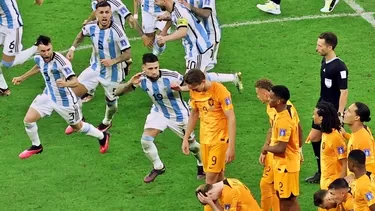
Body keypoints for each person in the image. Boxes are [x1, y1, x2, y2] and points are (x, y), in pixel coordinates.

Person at [12, 35, 110, 159]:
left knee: (78, 127)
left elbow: (74, 81)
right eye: (43, 51)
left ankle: (102, 136)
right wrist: (22, 77)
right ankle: (36, 146)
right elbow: (38, 66)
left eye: (49, 50)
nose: (47, 53)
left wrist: (66, 84)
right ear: (38, 50)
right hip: (47, 96)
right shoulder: (39, 57)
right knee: (28, 120)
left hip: (65, 101)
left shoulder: (61, 62)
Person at [114, 53, 204, 183]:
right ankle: (158, 167)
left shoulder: (172, 76)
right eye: (150, 69)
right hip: (158, 112)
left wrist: (180, 88)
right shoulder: (141, 78)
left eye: (156, 67)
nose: (154, 71)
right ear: (143, 67)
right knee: (146, 140)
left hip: (178, 115)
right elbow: (117, 92)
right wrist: (130, 83)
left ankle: (201, 163)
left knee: (192, 146)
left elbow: (193, 87)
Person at [65, 1, 132, 133]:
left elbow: (128, 53)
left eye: (107, 12)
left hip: (112, 73)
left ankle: (107, 121)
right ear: (96, 14)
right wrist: (72, 48)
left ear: (110, 13)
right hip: (94, 69)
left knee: (111, 103)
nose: (104, 15)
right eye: (101, 12)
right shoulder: (91, 27)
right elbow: (81, 35)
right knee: (72, 93)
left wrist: (113, 61)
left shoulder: (117, 32)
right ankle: (79, 120)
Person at [154, 0, 243, 92]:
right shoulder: (177, 7)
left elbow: (183, 31)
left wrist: (165, 38)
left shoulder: (179, 10)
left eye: (156, 0)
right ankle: (234, 78)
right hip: (195, 47)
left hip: (198, 50)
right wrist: (166, 23)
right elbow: (178, 16)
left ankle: (193, 103)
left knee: (191, 81)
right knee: (200, 75)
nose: (155, 3)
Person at [81, 0, 151, 103]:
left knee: (114, 61)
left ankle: (122, 70)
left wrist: (143, 35)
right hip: (100, 34)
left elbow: (130, 18)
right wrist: (88, 20)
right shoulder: (96, 2)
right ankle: (90, 91)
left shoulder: (115, 2)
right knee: (95, 62)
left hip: (116, 38)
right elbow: (95, 11)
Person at [306, 32, 349, 184]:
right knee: (315, 137)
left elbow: (344, 91)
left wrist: (340, 113)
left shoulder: (340, 67)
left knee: (334, 141)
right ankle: (321, 171)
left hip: (332, 111)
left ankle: (340, 173)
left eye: (320, 45)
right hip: (322, 105)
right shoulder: (324, 61)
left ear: (329, 47)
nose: (316, 48)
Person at [181, 69, 236, 186]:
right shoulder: (194, 91)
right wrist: (186, 138)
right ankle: (228, 201)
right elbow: (194, 114)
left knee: (209, 181)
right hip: (205, 139)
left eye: (195, 88)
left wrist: (231, 146)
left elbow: (231, 118)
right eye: (191, 89)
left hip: (220, 139)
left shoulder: (220, 91)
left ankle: (208, 204)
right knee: (219, 177)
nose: (193, 91)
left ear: (203, 81)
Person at [255, 78, 303, 211]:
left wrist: (266, 148)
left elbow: (281, 148)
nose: (268, 100)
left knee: (288, 199)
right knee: (282, 197)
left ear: (279, 100)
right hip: (282, 163)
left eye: (271, 98)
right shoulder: (280, 112)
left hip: (287, 164)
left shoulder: (284, 119)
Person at [0, 0, 44, 96]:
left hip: (12, 26)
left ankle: (36, 48)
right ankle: (2, 87)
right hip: (1, 23)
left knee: (7, 63)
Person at [179, 0, 221, 69]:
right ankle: (233, 77)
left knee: (203, 68)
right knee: (197, 69)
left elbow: (206, 13)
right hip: (193, 37)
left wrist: (188, 6)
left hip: (209, 37)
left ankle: (232, 77)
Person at [314, 102, 347, 189]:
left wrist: (340, 186)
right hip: (326, 182)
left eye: (314, 115)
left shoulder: (335, 137)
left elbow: (344, 161)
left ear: (321, 118)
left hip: (333, 184)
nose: (313, 117)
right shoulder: (325, 132)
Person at [342, 102, 375, 177]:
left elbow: (369, 165)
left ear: (357, 117)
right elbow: (356, 142)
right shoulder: (358, 131)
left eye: (349, 111)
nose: (345, 112)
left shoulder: (364, 139)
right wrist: (345, 134)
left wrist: (353, 178)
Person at [195, 178, 261, 211]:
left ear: (209, 193)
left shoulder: (228, 194)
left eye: (213, 200)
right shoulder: (228, 181)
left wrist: (212, 204)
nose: (214, 202)